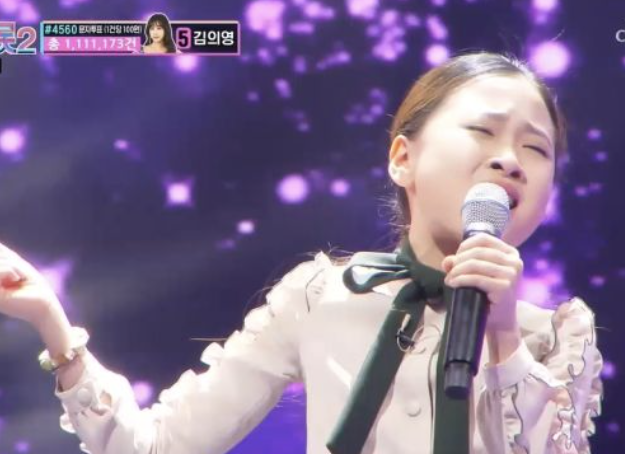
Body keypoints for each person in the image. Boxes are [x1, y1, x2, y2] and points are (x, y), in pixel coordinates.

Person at [0, 51, 603, 453]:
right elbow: (156, 446)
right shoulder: (320, 297)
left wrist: (502, 337)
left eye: (537, 149)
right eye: (483, 130)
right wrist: (52, 322)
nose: (510, 160)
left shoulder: (555, 335)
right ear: (403, 158)